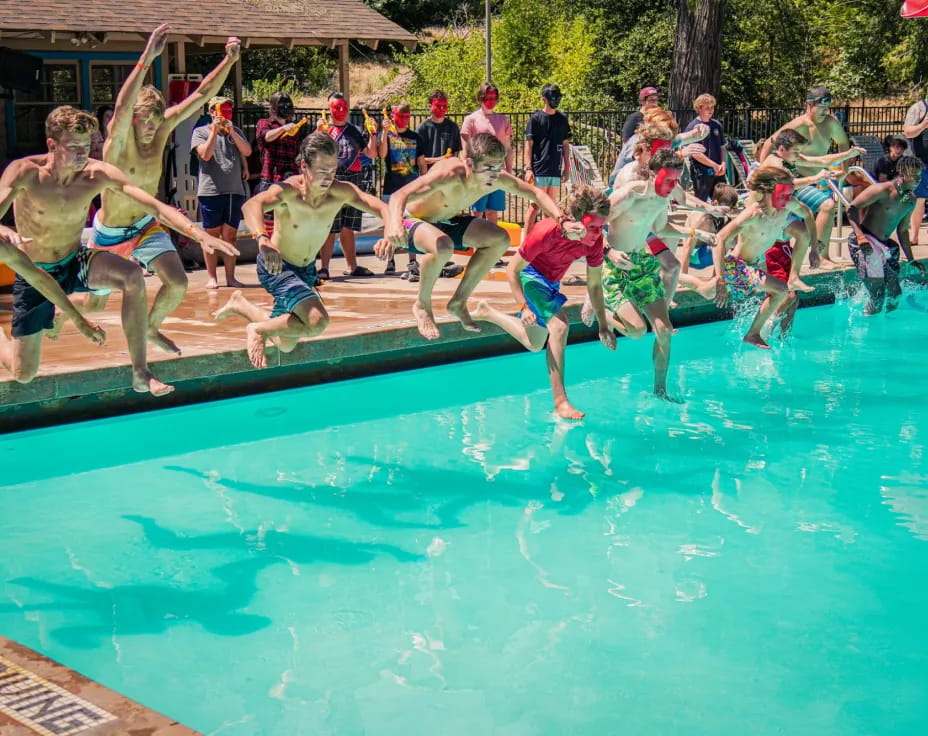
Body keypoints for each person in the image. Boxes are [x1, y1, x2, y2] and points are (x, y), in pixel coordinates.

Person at [0, 106, 232, 395]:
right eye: (73, 147)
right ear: (51, 145)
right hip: (34, 270)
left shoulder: (96, 174)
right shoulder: (24, 172)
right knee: (24, 373)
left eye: (87, 146)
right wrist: (4, 229)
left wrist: (198, 234)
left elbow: (154, 206)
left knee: (131, 276)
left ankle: (140, 371)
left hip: (76, 260)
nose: (83, 154)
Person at [73, 25, 240, 350]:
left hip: (146, 226)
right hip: (110, 233)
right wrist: (147, 58)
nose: (150, 126)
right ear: (131, 120)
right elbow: (122, 108)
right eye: (144, 120)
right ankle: (60, 312)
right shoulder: (117, 144)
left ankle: (149, 328)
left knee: (177, 283)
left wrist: (229, 61)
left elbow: (202, 95)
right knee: (92, 304)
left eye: (155, 119)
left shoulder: (162, 129)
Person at [384, 132, 584, 341]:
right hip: (411, 222)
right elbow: (399, 196)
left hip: (445, 222)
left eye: (498, 167)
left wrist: (562, 220)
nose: (493, 174)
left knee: (499, 239)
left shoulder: (497, 177)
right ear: (469, 163)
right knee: (443, 246)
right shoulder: (449, 174)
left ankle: (458, 302)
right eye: (488, 168)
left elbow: (536, 193)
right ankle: (422, 305)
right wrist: (394, 225)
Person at [214, 133, 390, 368]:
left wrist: (391, 231)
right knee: (316, 321)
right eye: (321, 170)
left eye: (332, 170)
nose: (328, 177)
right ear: (304, 166)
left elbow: (380, 206)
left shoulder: (341, 191)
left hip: (305, 271)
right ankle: (256, 329)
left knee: (285, 342)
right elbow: (251, 205)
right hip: (277, 265)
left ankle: (241, 306)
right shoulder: (288, 192)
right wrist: (262, 239)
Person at [472, 186, 615, 420]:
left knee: (534, 343)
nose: (598, 234)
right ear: (576, 222)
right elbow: (512, 270)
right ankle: (561, 403)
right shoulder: (546, 231)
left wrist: (603, 324)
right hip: (530, 276)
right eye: (592, 227)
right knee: (559, 327)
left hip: (551, 283)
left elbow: (595, 286)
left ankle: (487, 312)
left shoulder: (595, 243)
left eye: (602, 227)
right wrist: (523, 306)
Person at [598, 149, 715, 400]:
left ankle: (660, 390)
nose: (672, 186)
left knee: (663, 330)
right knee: (638, 331)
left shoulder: (663, 198)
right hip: (616, 266)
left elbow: (661, 227)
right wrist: (609, 252)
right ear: (652, 174)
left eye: (676, 181)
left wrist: (694, 234)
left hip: (642, 264)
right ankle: (605, 319)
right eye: (667, 180)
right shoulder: (629, 195)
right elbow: (594, 225)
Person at [712, 166, 819, 348]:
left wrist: (814, 247)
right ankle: (753, 334)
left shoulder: (787, 206)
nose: (788, 198)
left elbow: (807, 213)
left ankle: (668, 280)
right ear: (770, 190)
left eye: (789, 193)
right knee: (781, 290)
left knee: (703, 289)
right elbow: (720, 238)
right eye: (784, 194)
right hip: (736, 266)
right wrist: (720, 279)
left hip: (753, 266)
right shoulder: (754, 214)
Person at [759, 86, 852, 269]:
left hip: (815, 179)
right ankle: (818, 255)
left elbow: (843, 143)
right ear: (809, 105)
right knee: (827, 206)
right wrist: (762, 169)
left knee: (815, 215)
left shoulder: (831, 124)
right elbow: (771, 142)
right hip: (795, 180)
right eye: (822, 108)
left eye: (828, 108)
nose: (826, 112)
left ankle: (818, 255)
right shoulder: (799, 125)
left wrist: (844, 169)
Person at [846, 155, 926, 314]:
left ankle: (885, 327)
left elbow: (902, 230)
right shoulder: (882, 190)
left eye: (919, 176)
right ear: (902, 173)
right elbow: (852, 209)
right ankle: (866, 328)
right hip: (866, 242)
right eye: (914, 175)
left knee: (895, 296)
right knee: (878, 297)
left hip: (885, 246)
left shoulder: (910, 200)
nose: (918, 179)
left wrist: (911, 260)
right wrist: (860, 237)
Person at [192, 95, 253, 289]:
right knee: (211, 235)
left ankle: (231, 277)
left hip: (234, 189)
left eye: (228, 111)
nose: (226, 114)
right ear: (212, 112)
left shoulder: (235, 131)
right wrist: (214, 131)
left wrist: (232, 132)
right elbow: (205, 154)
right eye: (222, 110)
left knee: (230, 235)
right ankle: (212, 277)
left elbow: (247, 151)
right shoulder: (200, 132)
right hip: (211, 190)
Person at [317, 92, 378, 279]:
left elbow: (371, 153)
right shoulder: (324, 130)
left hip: (354, 179)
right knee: (330, 225)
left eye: (344, 107)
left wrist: (373, 134)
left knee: (348, 226)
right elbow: (313, 151)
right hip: (332, 179)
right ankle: (324, 267)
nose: (341, 111)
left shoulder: (355, 130)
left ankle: (352, 266)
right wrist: (319, 132)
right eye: (337, 108)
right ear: (329, 109)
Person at [379, 102, 426, 278]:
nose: (404, 120)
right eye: (401, 116)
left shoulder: (416, 137)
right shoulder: (389, 135)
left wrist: (424, 184)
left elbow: (421, 163)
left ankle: (412, 261)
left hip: (411, 187)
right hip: (392, 186)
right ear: (393, 116)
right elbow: (382, 154)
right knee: (391, 223)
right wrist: (384, 132)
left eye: (407, 116)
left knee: (411, 223)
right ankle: (390, 259)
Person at [461, 82, 514, 224]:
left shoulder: (503, 120)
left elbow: (508, 149)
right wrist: (468, 171)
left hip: (497, 172)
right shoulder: (470, 120)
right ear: (480, 98)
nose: (491, 102)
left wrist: (509, 171)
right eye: (487, 98)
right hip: (478, 174)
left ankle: (493, 244)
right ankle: (475, 244)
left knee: (492, 212)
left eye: (494, 98)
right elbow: (465, 151)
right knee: (477, 212)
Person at [677, 182, 740, 299]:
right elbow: (687, 248)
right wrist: (683, 278)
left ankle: (716, 277)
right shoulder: (703, 219)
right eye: (727, 207)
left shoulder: (724, 218)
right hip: (694, 258)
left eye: (732, 207)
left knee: (733, 240)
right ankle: (717, 278)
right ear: (715, 203)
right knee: (720, 242)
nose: (729, 211)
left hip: (706, 253)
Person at [524, 83, 572, 236]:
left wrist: (567, 167)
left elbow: (565, 144)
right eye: (552, 97)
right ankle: (526, 241)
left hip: (555, 168)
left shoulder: (562, 119)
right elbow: (529, 144)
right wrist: (528, 168)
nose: (556, 100)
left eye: (557, 97)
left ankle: (545, 241)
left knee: (550, 207)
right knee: (535, 206)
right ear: (543, 99)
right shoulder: (536, 118)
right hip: (539, 169)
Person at [255, 91, 305, 194]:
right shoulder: (264, 123)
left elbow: (299, 152)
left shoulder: (293, 127)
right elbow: (266, 136)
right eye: (281, 105)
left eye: (288, 105)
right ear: (273, 107)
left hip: (291, 178)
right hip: (271, 179)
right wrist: (283, 129)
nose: (286, 108)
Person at [685, 94, 728, 202]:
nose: (711, 110)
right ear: (699, 108)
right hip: (701, 171)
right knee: (701, 202)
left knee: (722, 200)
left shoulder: (717, 125)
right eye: (707, 108)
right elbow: (695, 153)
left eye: (712, 107)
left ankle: (720, 219)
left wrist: (723, 163)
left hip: (718, 170)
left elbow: (722, 147)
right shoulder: (692, 126)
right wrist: (714, 165)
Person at [903, 88, 928, 247]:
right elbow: (907, 132)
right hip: (921, 162)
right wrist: (924, 124)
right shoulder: (919, 108)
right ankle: (914, 236)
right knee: (919, 199)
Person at [416, 89, 462, 172]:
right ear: (430, 106)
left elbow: (455, 156)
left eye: (445, 106)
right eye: (438, 105)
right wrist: (441, 159)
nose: (442, 108)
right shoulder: (422, 128)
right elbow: (419, 159)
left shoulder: (453, 127)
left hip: (447, 176)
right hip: (428, 176)